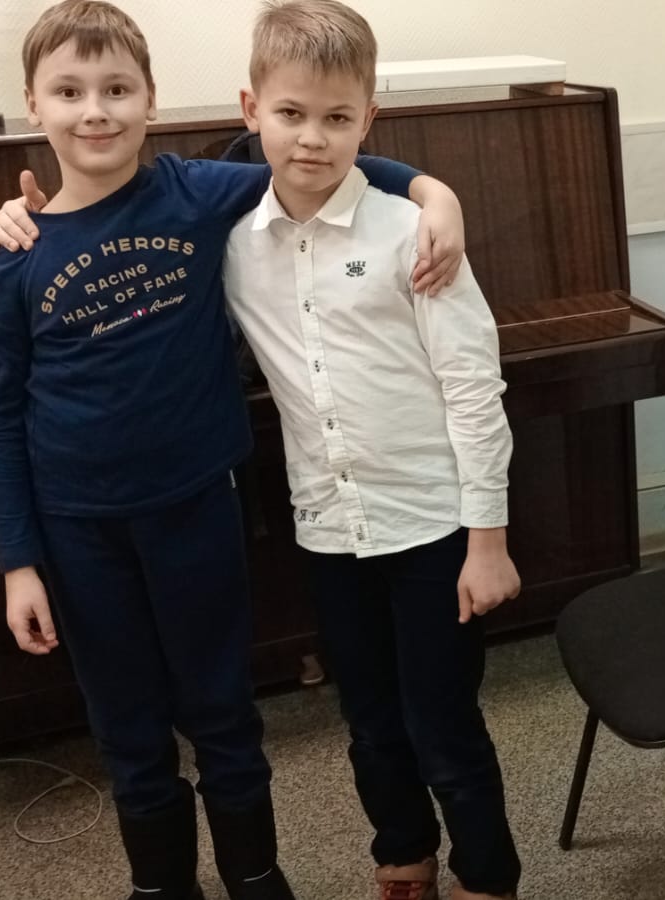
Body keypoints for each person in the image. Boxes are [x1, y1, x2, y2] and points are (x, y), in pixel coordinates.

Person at [0, 3, 466, 898]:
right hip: (81, 534)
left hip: (197, 510)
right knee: (129, 731)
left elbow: (327, 157)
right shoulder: (19, 252)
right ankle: (162, 885)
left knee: (223, 716)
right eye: (70, 93)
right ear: (33, 106)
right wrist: (18, 563)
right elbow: (0, 420)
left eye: (117, 90)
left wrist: (437, 195)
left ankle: (256, 878)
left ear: (150, 100)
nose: (96, 111)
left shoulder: (197, 192)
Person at [220, 2, 523, 898]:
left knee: (443, 724)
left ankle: (488, 876)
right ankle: (403, 855)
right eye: (290, 114)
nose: (312, 138)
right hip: (329, 528)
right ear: (252, 110)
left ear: (369, 120)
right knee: (369, 723)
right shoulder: (231, 240)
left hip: (433, 525)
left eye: (338, 117)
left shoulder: (411, 233)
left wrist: (489, 540)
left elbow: (473, 388)